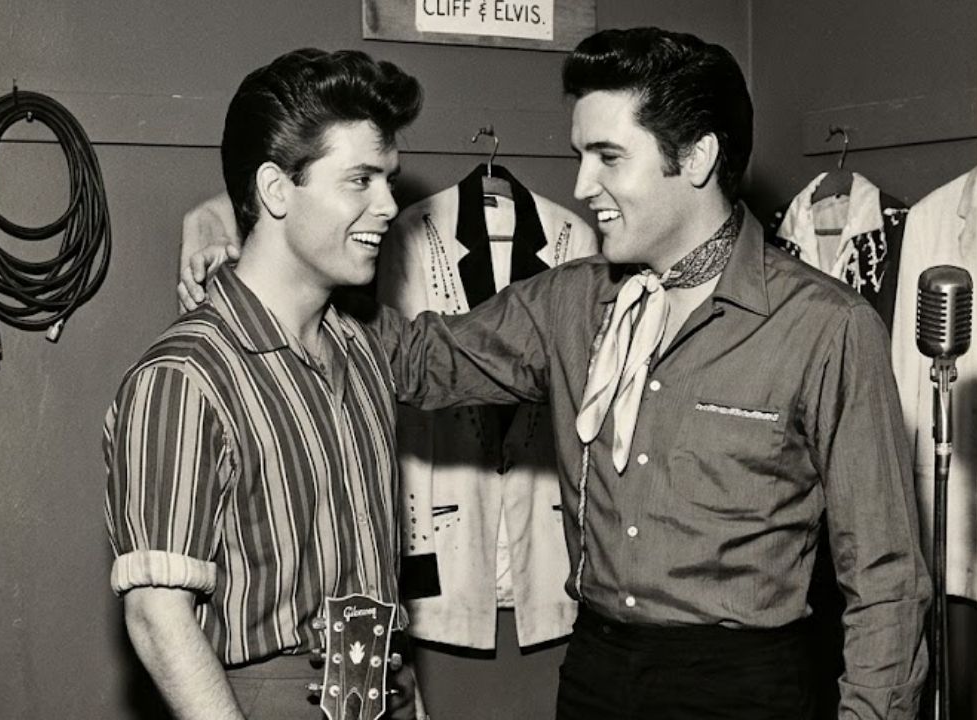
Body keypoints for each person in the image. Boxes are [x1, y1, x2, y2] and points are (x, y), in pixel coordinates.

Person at [179, 28, 931, 720]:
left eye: (608, 156)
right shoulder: (571, 302)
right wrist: (263, 218)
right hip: (597, 671)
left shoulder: (825, 327)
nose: (582, 184)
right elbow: (412, 360)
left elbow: (888, 581)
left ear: (698, 157)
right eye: (580, 156)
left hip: (748, 688)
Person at [105, 48, 424, 720]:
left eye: (388, 180)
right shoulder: (184, 377)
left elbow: (373, 584)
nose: (389, 204)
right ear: (277, 190)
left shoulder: (362, 352)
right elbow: (158, 620)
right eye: (360, 180)